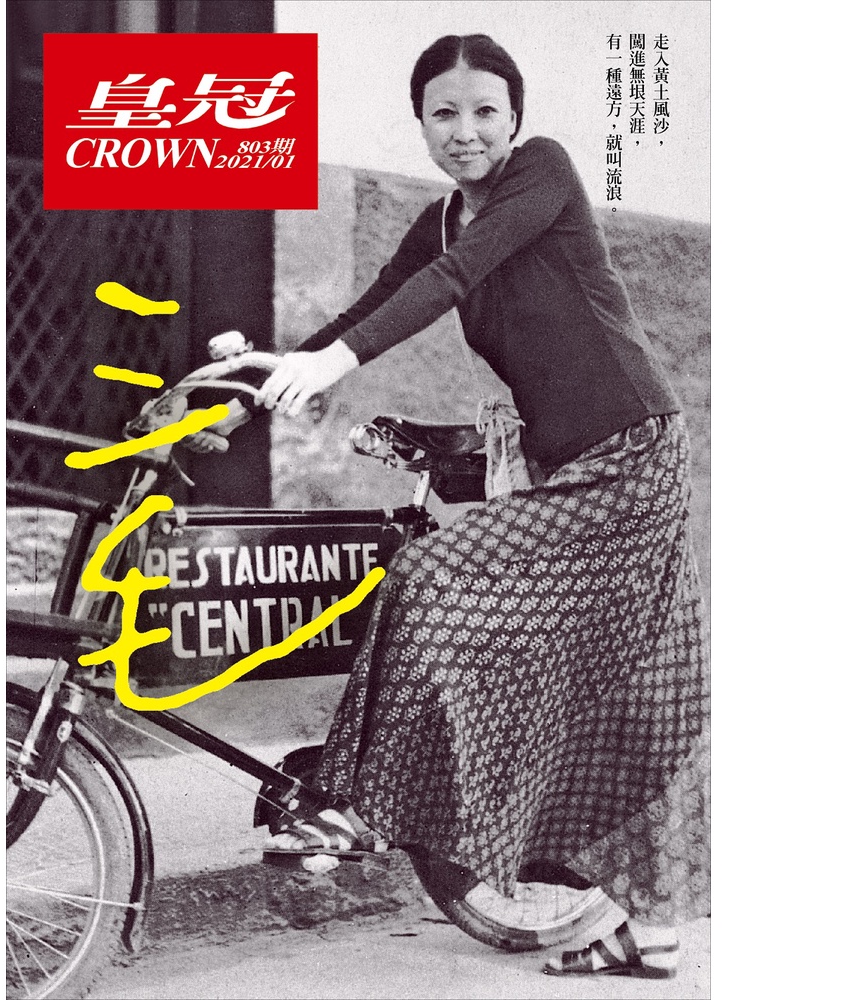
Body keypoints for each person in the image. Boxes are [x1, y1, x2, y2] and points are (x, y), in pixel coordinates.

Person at [255, 34, 709, 980]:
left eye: (484, 111)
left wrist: (333, 364)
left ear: (515, 119)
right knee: (620, 694)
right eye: (444, 114)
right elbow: (375, 305)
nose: (465, 131)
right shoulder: (440, 220)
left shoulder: (544, 173)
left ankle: (358, 803)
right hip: (570, 466)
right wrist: (271, 370)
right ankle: (651, 933)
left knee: (434, 571)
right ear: (421, 124)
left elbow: (450, 283)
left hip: (632, 456)